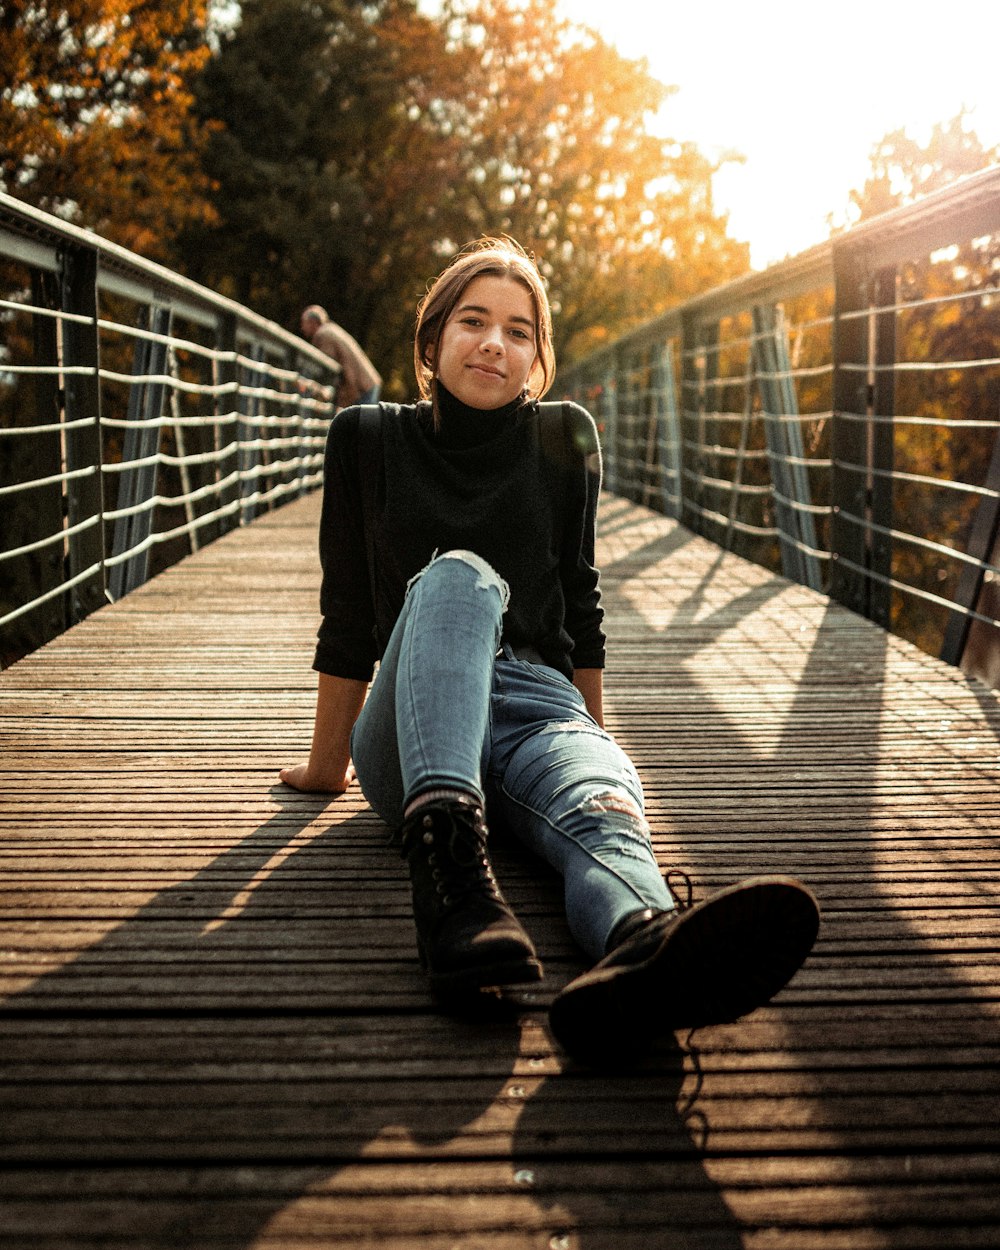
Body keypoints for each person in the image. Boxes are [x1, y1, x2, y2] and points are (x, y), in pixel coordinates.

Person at [281, 238, 819, 1066]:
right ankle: (455, 894)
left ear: (538, 360)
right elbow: (349, 614)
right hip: (414, 724)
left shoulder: (564, 437)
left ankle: (646, 947)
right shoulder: (366, 438)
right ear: (432, 344)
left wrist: (594, 745)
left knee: (603, 813)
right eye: (473, 321)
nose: (495, 342)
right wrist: (327, 766)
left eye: (519, 331)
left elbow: (579, 604)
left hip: (537, 709)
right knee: (459, 578)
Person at [300, 305, 382, 408]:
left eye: (304, 323)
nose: (302, 328)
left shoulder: (323, 335)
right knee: (364, 422)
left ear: (313, 322)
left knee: (362, 423)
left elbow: (325, 368)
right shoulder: (331, 329)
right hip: (366, 384)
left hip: (361, 388)